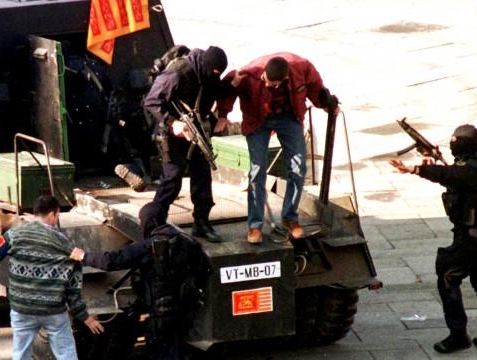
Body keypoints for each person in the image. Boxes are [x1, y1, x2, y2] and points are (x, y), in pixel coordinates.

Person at [0, 195, 104, 360]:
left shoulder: (13, 236)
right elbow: (72, 290)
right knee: (66, 354)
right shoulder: (67, 245)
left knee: (20, 354)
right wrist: (85, 317)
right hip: (53, 311)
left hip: (22, 309)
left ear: (35, 214)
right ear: (54, 214)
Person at [389, 124, 477, 353]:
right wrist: (428, 160)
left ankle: (458, 335)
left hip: (471, 237)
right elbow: (453, 174)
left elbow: (450, 175)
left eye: (456, 141)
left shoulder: (471, 170)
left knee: (448, 277)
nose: (452, 143)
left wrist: (415, 169)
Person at [216, 52, 339, 244]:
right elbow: (229, 87)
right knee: (258, 171)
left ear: (285, 78)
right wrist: (223, 114)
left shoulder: (301, 66)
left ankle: (290, 217)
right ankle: (254, 226)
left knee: (298, 168)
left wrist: (324, 103)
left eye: (274, 84)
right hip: (258, 120)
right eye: (266, 81)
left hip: (289, 117)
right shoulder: (250, 72)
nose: (268, 85)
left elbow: (315, 86)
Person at [70, 202, 209, 360]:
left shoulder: (150, 246)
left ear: (149, 222)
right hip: (183, 310)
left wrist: (84, 256)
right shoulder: (187, 241)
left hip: (160, 314)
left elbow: (113, 260)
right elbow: (203, 269)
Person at [143, 45, 229, 243]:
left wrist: (231, 85)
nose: (215, 76)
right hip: (172, 131)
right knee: (172, 178)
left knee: (202, 175)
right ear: (206, 66)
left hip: (197, 130)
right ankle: (155, 223)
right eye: (214, 72)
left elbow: (218, 90)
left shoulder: (211, 75)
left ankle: (201, 222)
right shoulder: (178, 73)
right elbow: (152, 101)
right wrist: (174, 123)